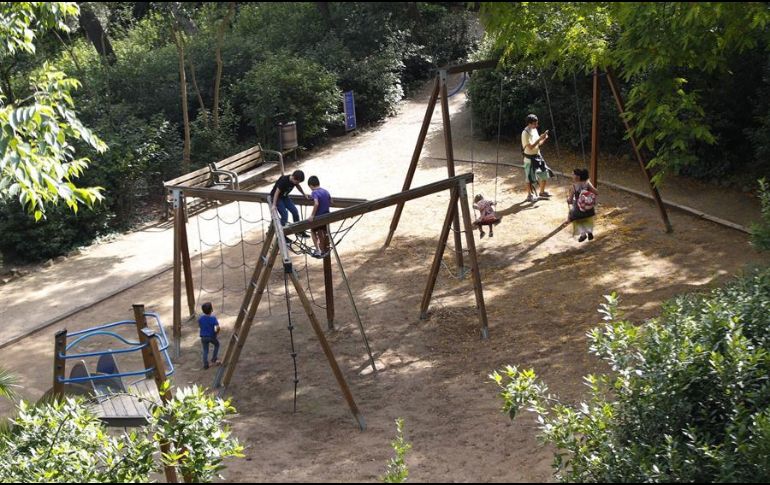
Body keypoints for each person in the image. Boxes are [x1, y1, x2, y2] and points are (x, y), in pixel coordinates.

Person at [521, 114, 553, 202]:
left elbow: (538, 145)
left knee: (544, 173)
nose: (536, 125)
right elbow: (530, 147)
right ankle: (529, 195)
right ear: (529, 124)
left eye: (537, 123)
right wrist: (540, 139)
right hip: (529, 158)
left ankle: (542, 192)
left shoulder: (534, 130)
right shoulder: (525, 133)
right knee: (529, 177)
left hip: (538, 156)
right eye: (535, 124)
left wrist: (544, 139)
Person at [271, 170, 310, 241]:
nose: (298, 183)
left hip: (285, 197)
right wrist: (274, 205)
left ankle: (298, 230)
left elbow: (298, 186)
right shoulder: (284, 180)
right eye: (297, 181)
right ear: (294, 178)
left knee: (295, 211)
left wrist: (304, 194)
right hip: (277, 198)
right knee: (285, 214)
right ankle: (282, 234)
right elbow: (276, 192)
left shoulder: (294, 181)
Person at [567, 168, 598, 242]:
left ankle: (583, 235)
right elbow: (596, 192)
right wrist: (588, 194)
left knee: (577, 219)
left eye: (573, 174)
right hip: (588, 206)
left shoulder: (574, 186)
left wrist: (568, 200)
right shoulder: (588, 183)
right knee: (587, 218)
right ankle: (589, 231)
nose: (572, 176)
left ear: (578, 177)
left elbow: (570, 200)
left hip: (579, 206)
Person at [307, 175, 332, 258]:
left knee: (313, 231)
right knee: (323, 232)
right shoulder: (325, 191)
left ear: (311, 185)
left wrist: (312, 215)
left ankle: (318, 250)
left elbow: (316, 203)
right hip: (326, 215)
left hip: (318, 217)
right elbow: (331, 201)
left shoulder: (314, 192)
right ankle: (323, 249)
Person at [198, 301, 220, 370]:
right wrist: (216, 333)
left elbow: (200, 325)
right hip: (211, 336)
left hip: (203, 337)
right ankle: (214, 358)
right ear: (211, 310)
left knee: (205, 350)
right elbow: (217, 327)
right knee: (217, 344)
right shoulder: (213, 318)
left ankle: (205, 364)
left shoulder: (200, 318)